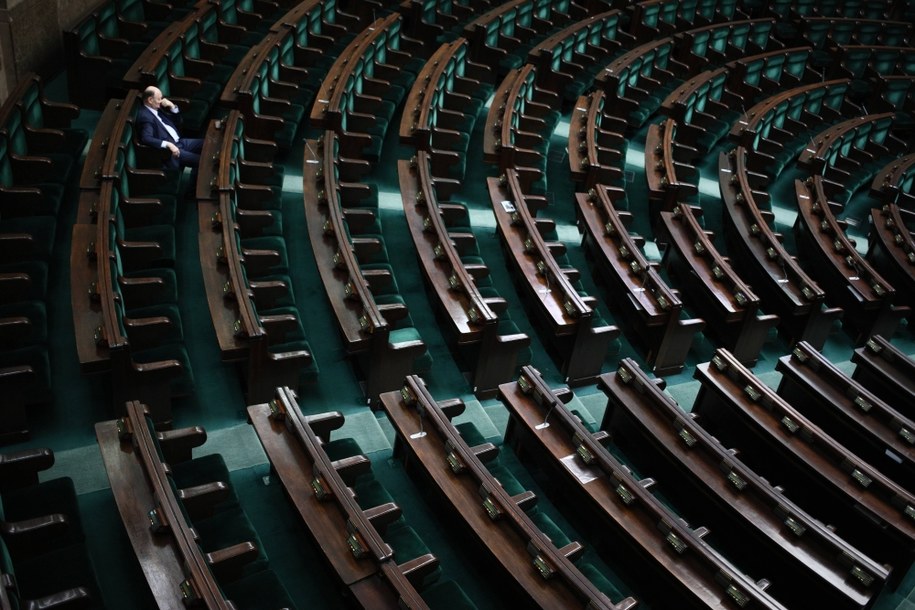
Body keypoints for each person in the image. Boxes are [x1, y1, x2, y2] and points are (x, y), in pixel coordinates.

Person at [136, 86, 203, 170]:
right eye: (159, 99)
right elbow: (146, 138)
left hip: (180, 142)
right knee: (203, 161)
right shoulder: (145, 116)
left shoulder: (156, 107)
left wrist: (172, 107)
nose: (161, 101)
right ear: (150, 100)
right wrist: (168, 144)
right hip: (172, 151)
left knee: (206, 143)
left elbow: (178, 122)